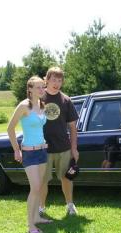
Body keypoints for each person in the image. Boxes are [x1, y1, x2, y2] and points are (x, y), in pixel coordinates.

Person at [7, 76, 52, 233]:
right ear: (30, 89)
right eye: (38, 87)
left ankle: (37, 217)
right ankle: (30, 225)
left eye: (43, 87)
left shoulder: (42, 105)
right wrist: (16, 150)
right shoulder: (23, 106)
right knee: (34, 188)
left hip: (42, 151)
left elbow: (40, 128)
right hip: (29, 152)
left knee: (39, 187)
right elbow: (10, 128)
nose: (42, 90)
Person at [39, 67, 79, 215]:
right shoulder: (39, 99)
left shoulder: (66, 100)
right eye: (54, 79)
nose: (57, 83)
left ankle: (70, 205)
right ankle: (41, 208)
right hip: (43, 148)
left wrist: (74, 148)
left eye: (60, 80)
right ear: (47, 80)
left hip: (64, 148)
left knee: (67, 178)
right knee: (43, 181)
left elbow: (73, 127)